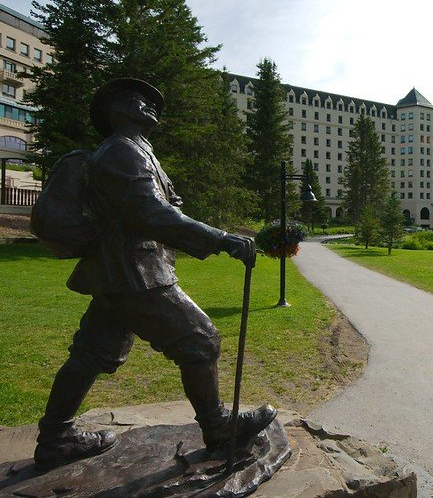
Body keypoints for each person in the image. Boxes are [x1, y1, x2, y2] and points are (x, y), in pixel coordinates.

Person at [34, 78, 276, 471]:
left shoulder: (137, 152)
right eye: (137, 100)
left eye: (151, 102)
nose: (150, 105)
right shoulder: (120, 152)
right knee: (200, 339)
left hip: (121, 272)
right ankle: (218, 430)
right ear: (115, 111)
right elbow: (149, 213)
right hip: (134, 272)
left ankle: (55, 439)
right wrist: (220, 239)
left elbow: (161, 207)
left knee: (90, 353)